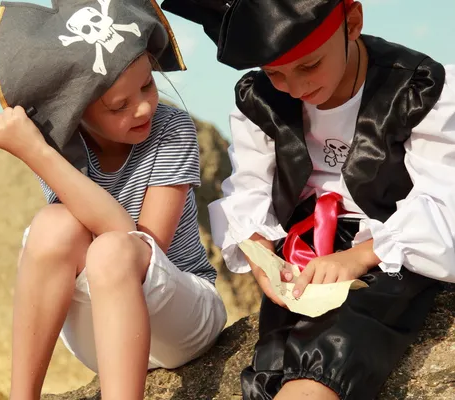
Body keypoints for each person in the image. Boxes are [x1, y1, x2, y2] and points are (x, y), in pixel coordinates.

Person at [162, 0, 455, 399]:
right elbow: (249, 186)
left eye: (309, 65)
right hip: (303, 254)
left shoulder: (417, 90)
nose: (297, 88)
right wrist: (259, 248)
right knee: (276, 359)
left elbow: (443, 202)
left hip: (391, 251)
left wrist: (359, 256)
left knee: (331, 356)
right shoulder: (260, 100)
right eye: (275, 73)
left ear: (351, 21)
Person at [0, 1, 227, 399]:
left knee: (113, 250)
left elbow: (141, 242)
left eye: (148, 85)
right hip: (101, 332)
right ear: (76, 112)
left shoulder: (171, 128)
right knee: (53, 224)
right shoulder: (63, 146)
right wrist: (45, 151)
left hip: (180, 315)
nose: (145, 107)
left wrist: (38, 154)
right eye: (119, 106)